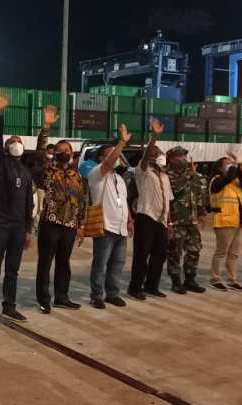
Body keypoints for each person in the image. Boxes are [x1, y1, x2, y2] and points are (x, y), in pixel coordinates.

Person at [0, 93, 34, 325]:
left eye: (19, 141)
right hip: (0, 223)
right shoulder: (0, 163)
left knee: (13, 269)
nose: (16, 144)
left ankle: (9, 306)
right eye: (12, 141)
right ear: (5, 148)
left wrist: (28, 229)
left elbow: (29, 202)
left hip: (18, 226)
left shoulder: (25, 171)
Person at [34, 105, 87, 314]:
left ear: (72, 153)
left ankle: (62, 297)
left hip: (70, 226)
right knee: (45, 263)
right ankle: (44, 300)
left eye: (67, 150)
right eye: (60, 150)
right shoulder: (48, 169)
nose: (64, 152)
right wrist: (46, 127)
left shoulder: (77, 175)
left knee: (64, 263)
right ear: (55, 153)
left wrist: (81, 225)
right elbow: (40, 151)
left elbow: (82, 200)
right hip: (50, 223)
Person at [87, 124, 134, 309]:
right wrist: (121, 142)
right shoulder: (96, 173)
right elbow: (108, 163)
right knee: (100, 264)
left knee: (117, 264)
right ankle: (96, 295)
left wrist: (129, 220)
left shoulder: (119, 179)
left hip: (121, 228)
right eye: (111, 154)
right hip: (105, 226)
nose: (116, 157)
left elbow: (124, 201)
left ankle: (112, 293)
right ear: (101, 158)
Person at [128, 118, 173, 300]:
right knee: (142, 254)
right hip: (146, 217)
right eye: (155, 152)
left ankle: (151, 286)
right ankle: (135, 287)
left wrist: (169, 221)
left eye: (159, 152)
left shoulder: (164, 175)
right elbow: (146, 156)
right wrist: (154, 137)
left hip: (161, 220)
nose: (159, 154)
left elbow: (168, 199)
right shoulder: (143, 170)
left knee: (159, 255)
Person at [164, 146, 207, 294]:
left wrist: (201, 212)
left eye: (184, 156)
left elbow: (198, 192)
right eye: (180, 157)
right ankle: (176, 281)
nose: (183, 159)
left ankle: (190, 279)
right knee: (175, 252)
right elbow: (175, 190)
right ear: (171, 159)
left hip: (192, 220)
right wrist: (189, 174)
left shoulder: (191, 174)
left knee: (194, 249)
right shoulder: (166, 173)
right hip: (176, 220)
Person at [208, 153, 242, 292]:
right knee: (221, 252)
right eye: (227, 163)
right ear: (219, 167)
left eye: (231, 164)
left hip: (238, 221)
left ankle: (232, 280)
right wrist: (236, 165)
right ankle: (215, 279)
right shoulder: (216, 180)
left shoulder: (235, 181)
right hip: (224, 220)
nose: (231, 166)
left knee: (234, 254)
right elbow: (227, 178)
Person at [32, 143, 56, 234]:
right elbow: (35, 172)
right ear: (46, 152)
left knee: (50, 209)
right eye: (49, 153)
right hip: (41, 188)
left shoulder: (56, 163)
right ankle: (36, 228)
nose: (51, 155)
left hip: (52, 189)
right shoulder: (40, 161)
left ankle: (47, 229)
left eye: (52, 153)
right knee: (40, 209)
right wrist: (44, 167)